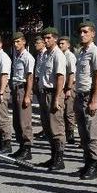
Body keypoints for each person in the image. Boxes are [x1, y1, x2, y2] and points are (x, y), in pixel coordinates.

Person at [73, 22, 97, 180]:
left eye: (85, 31)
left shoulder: (94, 52)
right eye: (80, 31)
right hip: (79, 95)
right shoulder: (81, 52)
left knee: (93, 133)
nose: (82, 34)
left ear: (93, 34)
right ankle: (87, 163)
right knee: (83, 133)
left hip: (89, 96)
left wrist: (94, 99)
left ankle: (94, 166)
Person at [35, 27, 67, 171]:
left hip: (53, 93)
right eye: (44, 38)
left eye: (49, 38)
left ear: (55, 38)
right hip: (44, 93)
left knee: (56, 127)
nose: (46, 40)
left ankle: (59, 159)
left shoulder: (57, 55)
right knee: (47, 127)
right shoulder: (45, 55)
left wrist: (57, 98)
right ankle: (53, 156)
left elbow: (60, 77)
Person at [9, 32, 35, 160]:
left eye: (18, 41)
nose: (16, 44)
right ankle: (21, 147)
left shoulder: (27, 57)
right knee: (17, 121)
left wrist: (27, 95)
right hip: (15, 88)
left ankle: (27, 148)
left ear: (24, 42)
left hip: (23, 89)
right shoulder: (17, 56)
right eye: (14, 42)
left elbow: (30, 77)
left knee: (24, 121)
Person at [58, 36, 78, 145]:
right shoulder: (61, 55)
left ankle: (70, 133)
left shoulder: (70, 56)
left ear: (68, 45)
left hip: (70, 85)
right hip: (63, 85)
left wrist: (69, 89)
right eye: (59, 44)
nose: (61, 45)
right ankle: (65, 131)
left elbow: (71, 73)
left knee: (69, 111)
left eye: (63, 44)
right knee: (63, 110)